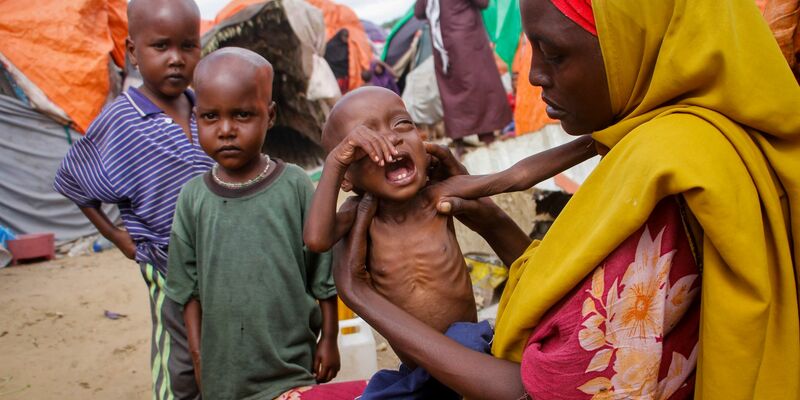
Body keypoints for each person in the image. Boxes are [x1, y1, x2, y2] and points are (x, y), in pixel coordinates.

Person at [333, 0, 800, 399]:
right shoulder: (686, 138)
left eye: (553, 53)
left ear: (632, 43)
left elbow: (538, 389)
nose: (534, 75)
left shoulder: (665, 167)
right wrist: (491, 219)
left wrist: (360, 295)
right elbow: (584, 297)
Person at [303, 85, 595, 398]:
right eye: (365, 141)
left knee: (463, 342)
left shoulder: (438, 196)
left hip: (471, 345)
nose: (391, 138)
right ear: (347, 177)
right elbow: (317, 239)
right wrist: (336, 161)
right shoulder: (359, 216)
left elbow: (515, 176)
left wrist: (593, 143)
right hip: (419, 368)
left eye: (402, 124)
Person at [53, 1, 211, 398]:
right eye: (161, 47)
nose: (176, 59)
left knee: (219, 346)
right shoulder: (122, 119)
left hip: (221, 255)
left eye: (188, 46)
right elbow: (73, 179)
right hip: (165, 260)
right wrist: (115, 234)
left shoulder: (206, 108)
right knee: (180, 361)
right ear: (133, 52)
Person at [164, 48, 340, 399]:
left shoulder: (294, 185)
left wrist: (330, 340)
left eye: (242, 115)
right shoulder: (193, 198)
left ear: (270, 115)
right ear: (195, 118)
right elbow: (188, 290)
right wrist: (199, 357)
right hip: (224, 374)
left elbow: (323, 274)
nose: (226, 130)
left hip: (293, 365)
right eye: (211, 117)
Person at [414, 0, 512, 153]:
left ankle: (458, 140)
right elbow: (483, 3)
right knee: (479, 85)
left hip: (443, 47)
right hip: (468, 40)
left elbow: (419, 12)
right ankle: (487, 137)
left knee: (451, 91)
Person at [325, 29, 350, 95]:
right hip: (333, 74)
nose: (346, 39)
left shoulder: (346, 46)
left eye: (347, 37)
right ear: (340, 36)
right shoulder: (330, 45)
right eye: (344, 36)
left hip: (343, 76)